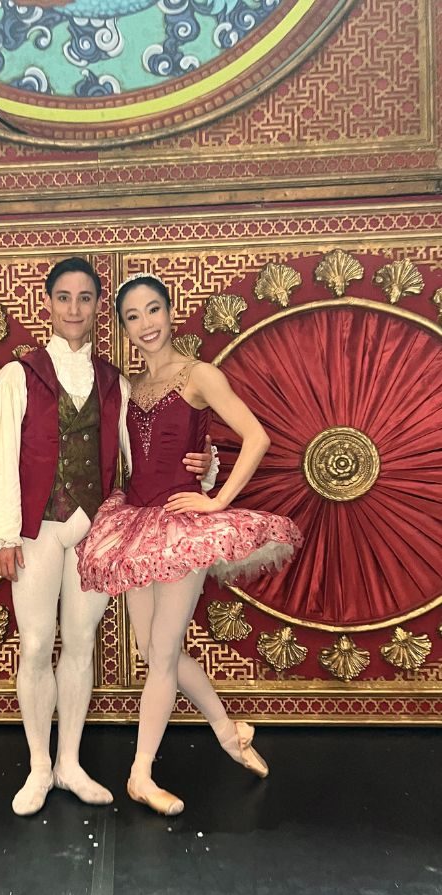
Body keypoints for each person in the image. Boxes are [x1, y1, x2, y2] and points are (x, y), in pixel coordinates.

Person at [0, 258, 214, 816]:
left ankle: (70, 764)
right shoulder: (18, 375)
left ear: (100, 307)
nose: (75, 308)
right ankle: (38, 765)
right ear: (49, 304)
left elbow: (146, 458)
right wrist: (1, 535)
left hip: (95, 529)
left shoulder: (117, 382)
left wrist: (201, 468)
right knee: (36, 644)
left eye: (85, 298)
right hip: (34, 529)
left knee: (81, 646)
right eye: (64, 297)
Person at [77, 274, 303, 816]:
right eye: (133, 316)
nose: (146, 324)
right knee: (154, 651)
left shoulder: (200, 374)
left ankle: (140, 774)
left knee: (161, 654)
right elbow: (135, 457)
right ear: (123, 327)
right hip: (133, 524)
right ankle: (229, 732)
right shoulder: (130, 387)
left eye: (154, 310)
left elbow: (257, 436)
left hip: (182, 527)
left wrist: (217, 499)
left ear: (171, 312)